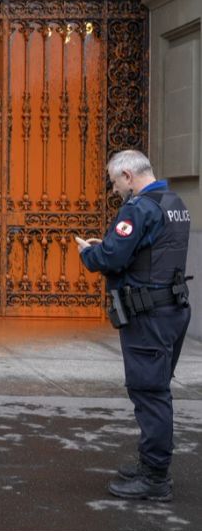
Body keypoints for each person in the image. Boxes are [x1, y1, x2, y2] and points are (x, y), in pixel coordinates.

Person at [77, 149, 191, 502]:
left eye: (115, 183)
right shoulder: (175, 202)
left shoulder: (139, 208)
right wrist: (112, 245)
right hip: (171, 310)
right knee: (155, 388)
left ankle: (155, 478)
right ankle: (148, 464)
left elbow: (112, 257)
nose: (115, 191)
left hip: (148, 316)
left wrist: (88, 253)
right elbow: (146, 251)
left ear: (128, 175)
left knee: (150, 393)